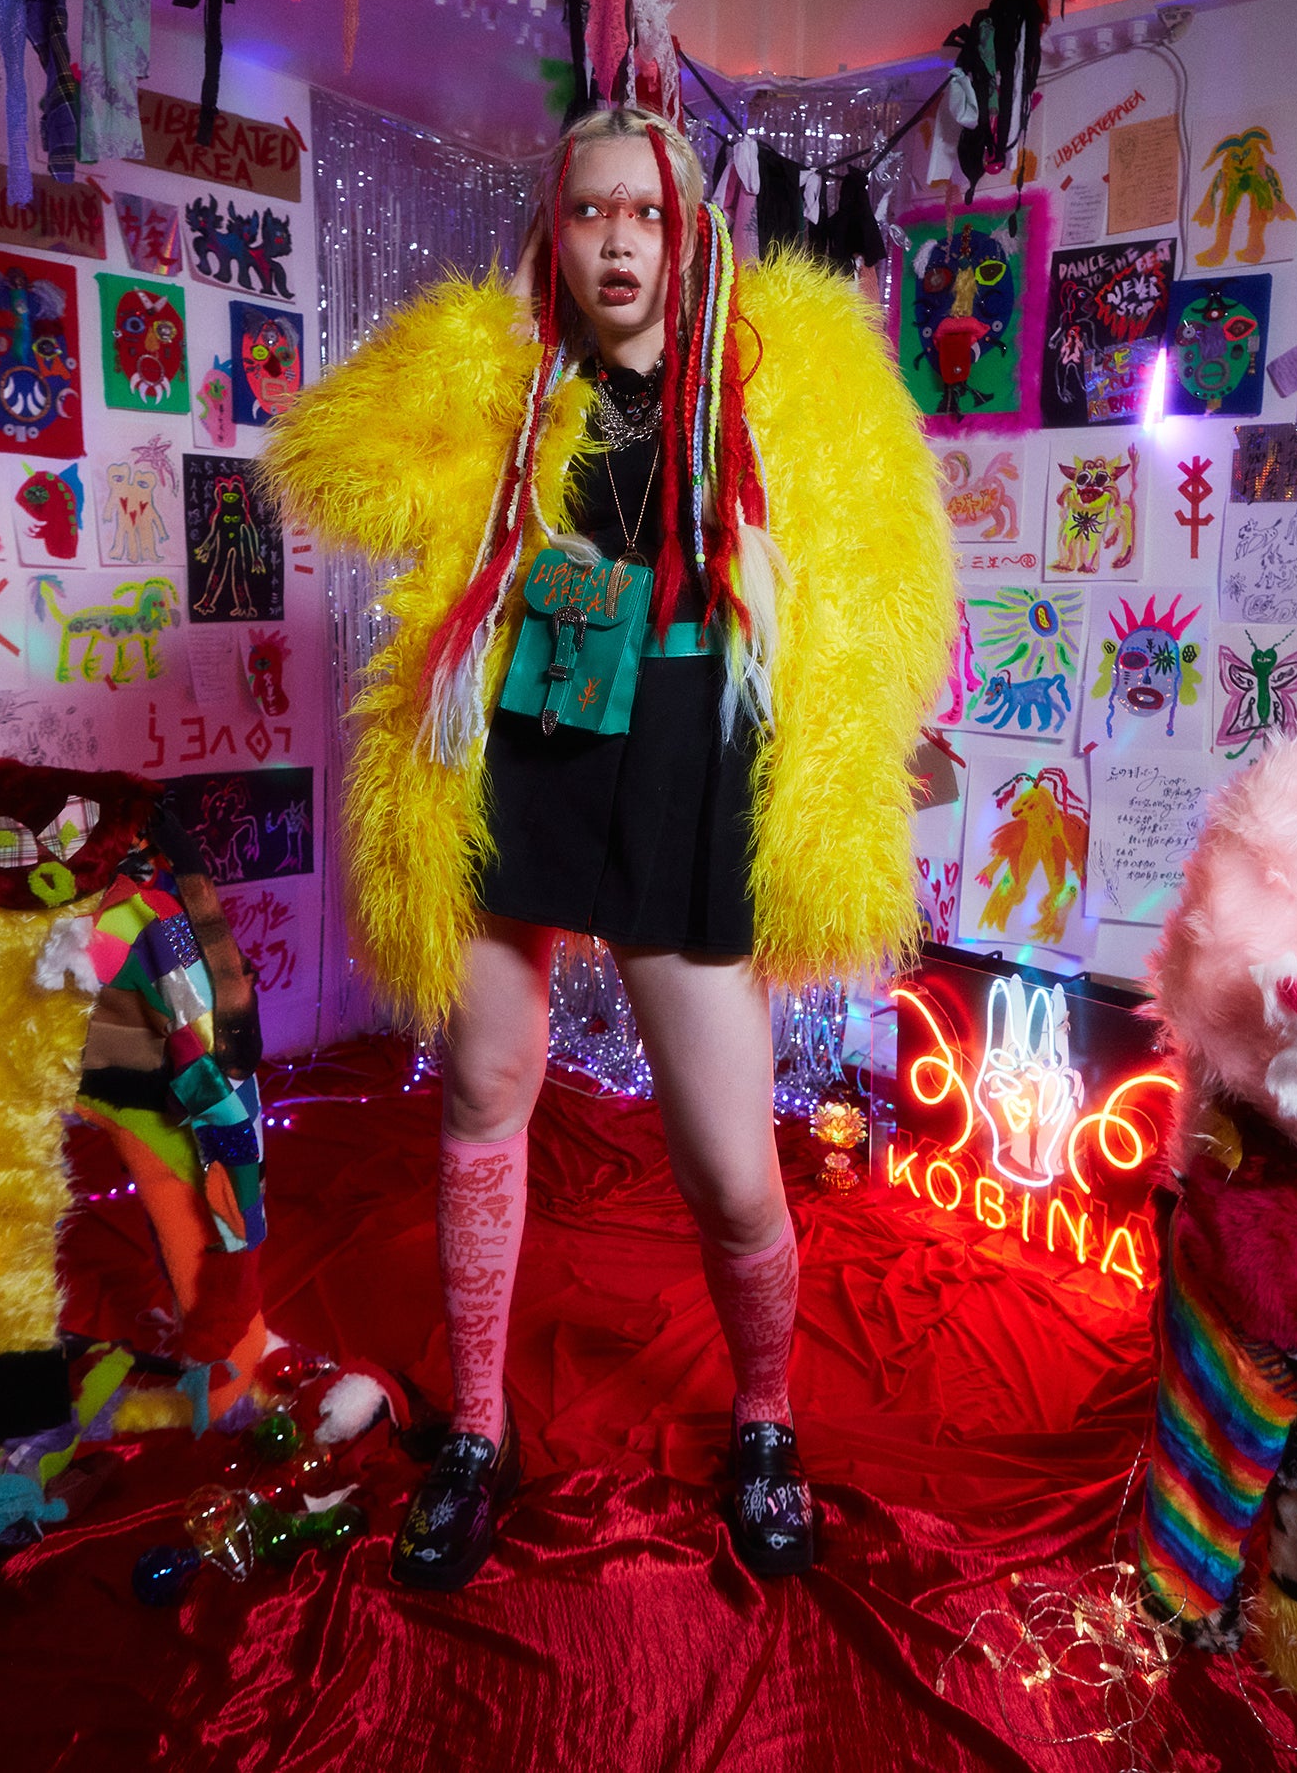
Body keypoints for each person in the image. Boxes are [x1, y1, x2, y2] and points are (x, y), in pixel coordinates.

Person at [263, 104, 953, 1590]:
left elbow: (886, 585)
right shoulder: (512, 378)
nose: (619, 242)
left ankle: (764, 1416)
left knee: (729, 1165)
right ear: (554, 230)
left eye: (646, 212)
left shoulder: (778, 376)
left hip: (684, 755)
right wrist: (467, 358)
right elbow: (325, 469)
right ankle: (477, 1430)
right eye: (589, 212)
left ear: (689, 229)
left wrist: (810, 644)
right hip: (516, 746)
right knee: (482, 1087)